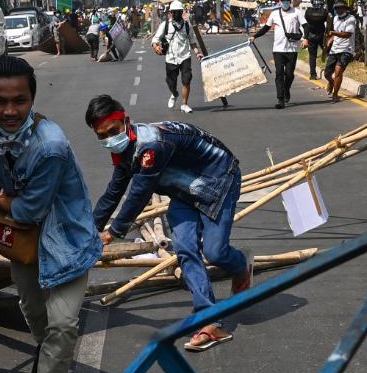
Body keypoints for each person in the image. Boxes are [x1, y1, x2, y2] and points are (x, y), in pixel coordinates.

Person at [0, 56, 102, 373]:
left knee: (62, 326)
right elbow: (10, 186)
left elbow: (29, 208)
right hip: (24, 242)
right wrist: (3, 192)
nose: (10, 111)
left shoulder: (52, 147)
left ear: (32, 100)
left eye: (20, 101)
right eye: (0, 101)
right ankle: (49, 359)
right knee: (34, 313)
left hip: (67, 239)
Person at [85, 95, 254, 352]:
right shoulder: (123, 152)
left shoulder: (152, 145)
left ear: (126, 122)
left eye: (113, 131)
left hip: (219, 180)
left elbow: (139, 194)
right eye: (101, 136)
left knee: (215, 252)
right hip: (183, 189)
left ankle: (240, 265)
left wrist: (112, 233)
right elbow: (113, 192)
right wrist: (90, 228)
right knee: (185, 249)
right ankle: (209, 322)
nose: (109, 138)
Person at [250, 0, 306, 109]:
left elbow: (306, 26)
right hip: (278, 49)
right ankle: (280, 99)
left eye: (287, 1)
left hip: (292, 49)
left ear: (289, 2)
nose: (285, 3)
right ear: (280, 2)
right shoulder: (275, 14)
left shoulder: (296, 12)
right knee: (279, 74)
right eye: (283, 1)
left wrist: (306, 39)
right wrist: (254, 36)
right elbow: (266, 28)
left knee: (289, 74)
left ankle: (286, 89)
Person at [152, 0, 203, 114]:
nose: (175, 14)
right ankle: (174, 93)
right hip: (170, 58)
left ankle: (184, 104)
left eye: (178, 12)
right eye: (173, 12)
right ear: (170, 13)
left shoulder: (186, 25)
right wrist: (155, 47)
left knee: (186, 80)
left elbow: (192, 41)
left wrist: (197, 52)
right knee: (171, 82)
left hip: (185, 56)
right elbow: (155, 39)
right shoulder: (165, 25)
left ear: (181, 12)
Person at [324, 0, 358, 103]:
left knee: (338, 71)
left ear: (345, 8)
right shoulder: (335, 19)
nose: (338, 10)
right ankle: (331, 81)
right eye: (336, 8)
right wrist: (330, 40)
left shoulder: (351, 19)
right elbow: (335, 34)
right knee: (326, 74)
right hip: (335, 49)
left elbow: (347, 34)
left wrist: (334, 33)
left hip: (346, 49)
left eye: (340, 8)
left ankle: (335, 94)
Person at [304, 0, 329, 80]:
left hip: (311, 35)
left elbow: (306, 24)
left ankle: (313, 74)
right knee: (329, 52)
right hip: (322, 35)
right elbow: (328, 23)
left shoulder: (308, 11)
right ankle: (329, 71)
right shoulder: (324, 12)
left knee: (312, 56)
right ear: (322, 2)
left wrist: (306, 37)